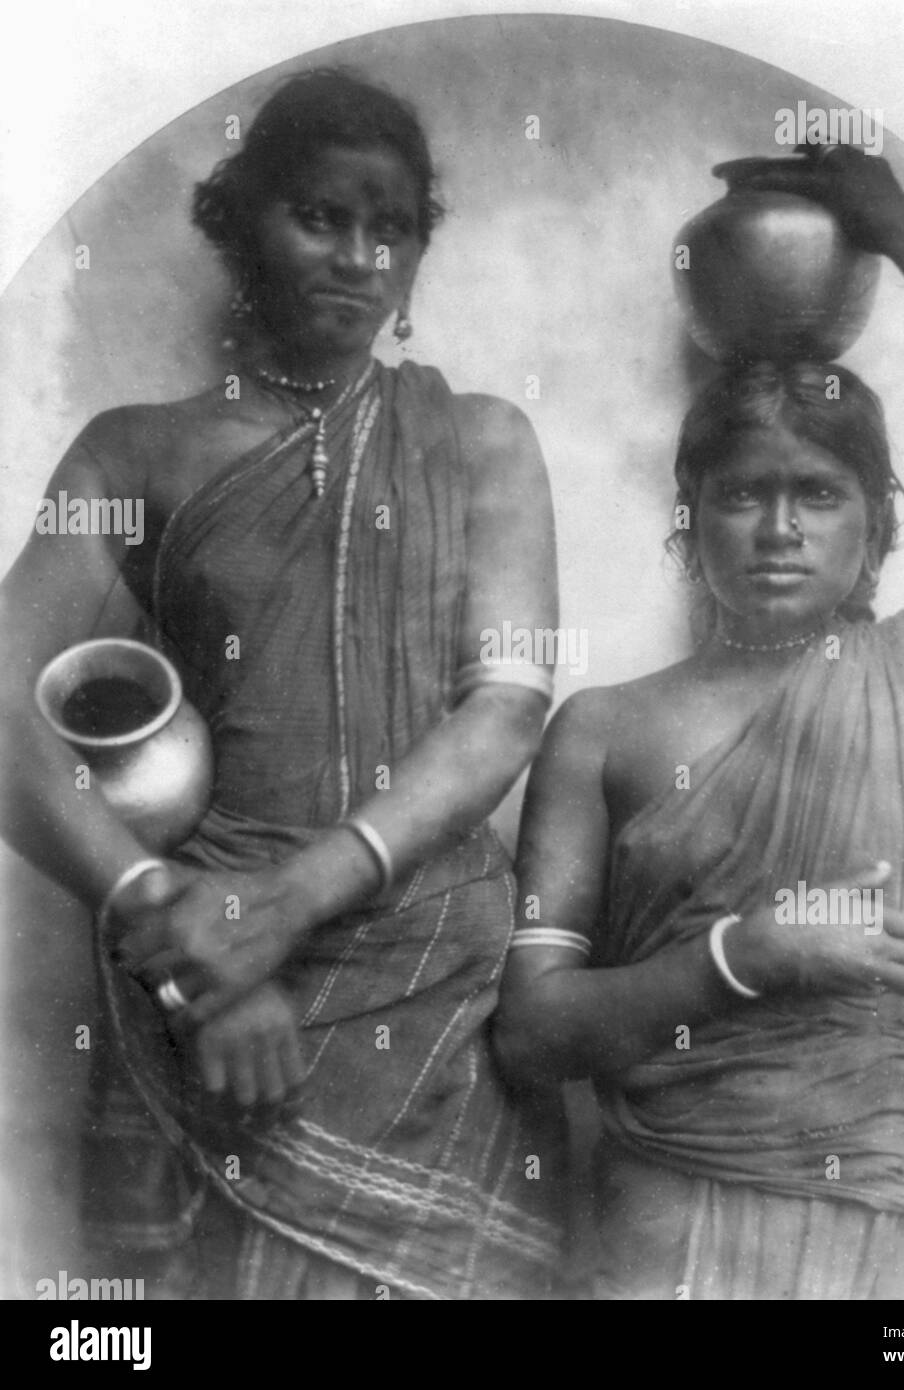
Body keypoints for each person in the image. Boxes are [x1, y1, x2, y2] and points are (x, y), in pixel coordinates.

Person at [0, 68, 562, 1299]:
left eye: (391, 227)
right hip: (199, 984)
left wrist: (284, 906)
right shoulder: (132, 451)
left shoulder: (481, 442)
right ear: (240, 219)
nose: (359, 256)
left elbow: (507, 706)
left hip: (425, 998)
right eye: (320, 215)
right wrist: (178, 927)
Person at [493, 144, 904, 1299]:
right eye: (743, 493)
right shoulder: (602, 730)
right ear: (689, 517)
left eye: (818, 494)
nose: (778, 527)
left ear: (879, 523)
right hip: (678, 1205)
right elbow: (533, 1033)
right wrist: (739, 957)